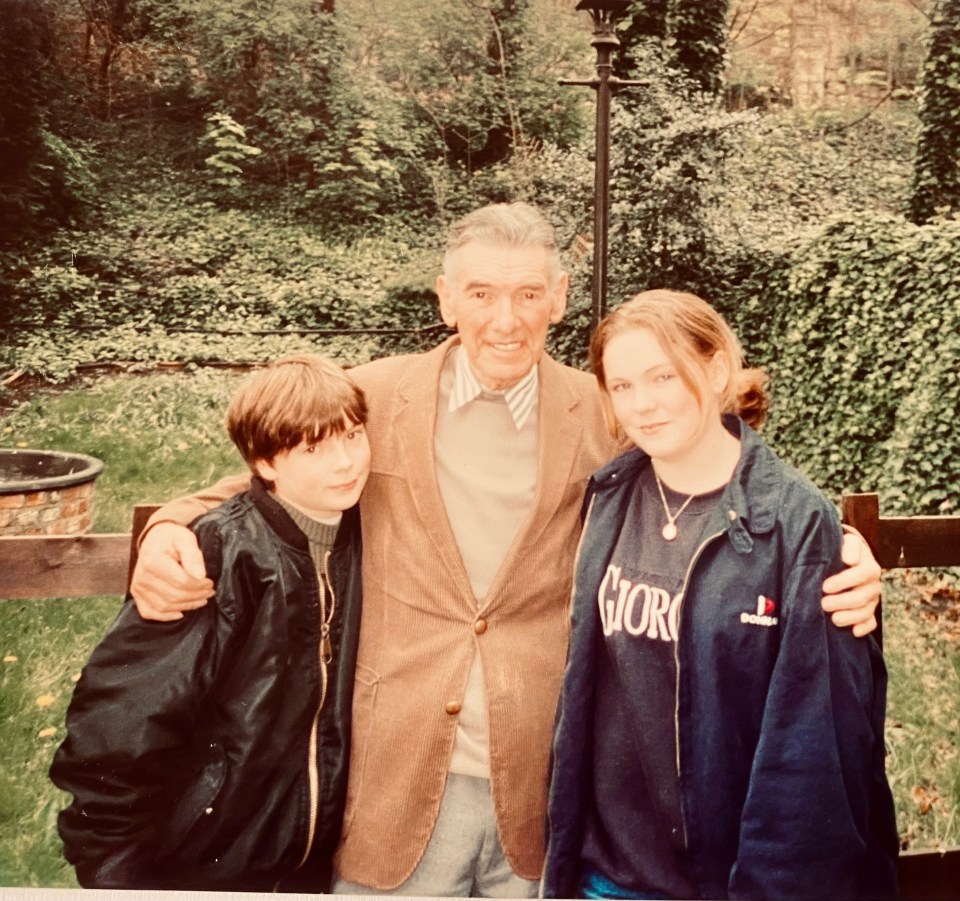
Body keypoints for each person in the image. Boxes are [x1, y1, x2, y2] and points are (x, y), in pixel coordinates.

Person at [128, 203, 882, 897]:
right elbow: (265, 472)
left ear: (558, 297)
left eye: (527, 295)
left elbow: (713, 465)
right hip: (392, 780)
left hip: (541, 792)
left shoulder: (605, 407)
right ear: (445, 297)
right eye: (481, 293)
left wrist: (834, 547)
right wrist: (170, 526)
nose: (505, 320)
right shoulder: (376, 396)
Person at [542, 291, 899, 901]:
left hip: (729, 882)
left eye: (662, 375)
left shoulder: (795, 523)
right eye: (622, 385)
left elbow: (814, 751)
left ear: (714, 369)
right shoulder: (607, 500)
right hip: (607, 878)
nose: (643, 404)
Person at [49, 354, 370, 892]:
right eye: (314, 448)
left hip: (315, 858)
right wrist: (113, 866)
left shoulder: (364, 538)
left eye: (354, 437)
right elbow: (124, 718)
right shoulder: (218, 554)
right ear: (265, 463)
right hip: (208, 856)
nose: (345, 463)